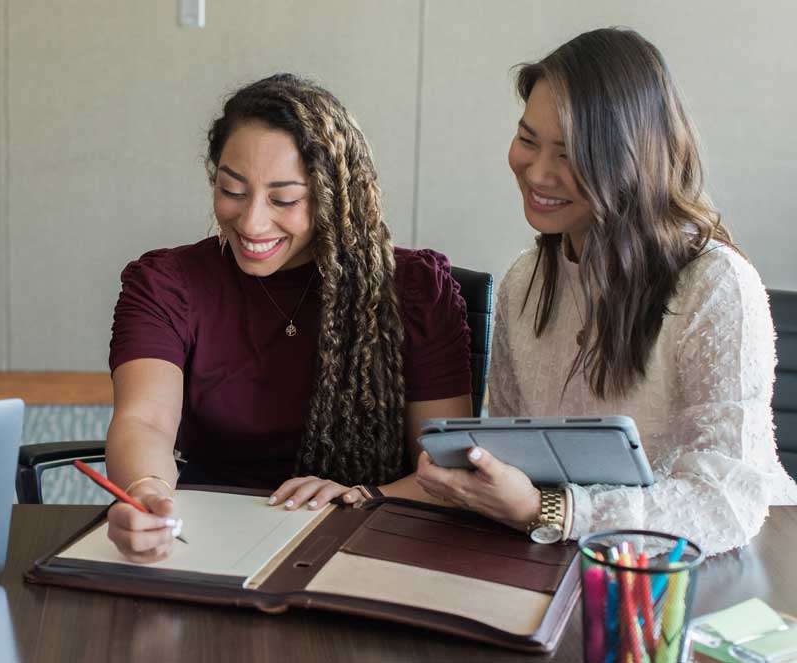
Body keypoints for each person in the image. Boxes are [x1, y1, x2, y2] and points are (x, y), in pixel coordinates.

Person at [415, 28, 797, 554]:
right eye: (528, 140)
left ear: (632, 161)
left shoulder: (715, 283)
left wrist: (551, 508)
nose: (538, 172)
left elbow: (725, 502)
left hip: (718, 567)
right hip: (566, 553)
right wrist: (470, 475)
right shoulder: (525, 279)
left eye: (570, 155)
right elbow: (512, 455)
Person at [105, 74, 473, 562]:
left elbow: (446, 471)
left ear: (334, 196)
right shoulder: (168, 284)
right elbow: (144, 420)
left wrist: (361, 497)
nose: (252, 222)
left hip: (368, 540)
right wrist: (148, 490)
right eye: (231, 190)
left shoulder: (414, 291)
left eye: (284, 199)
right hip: (209, 537)